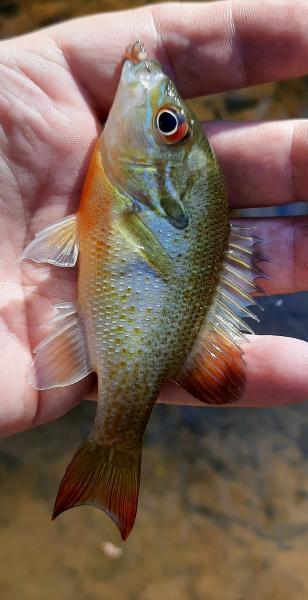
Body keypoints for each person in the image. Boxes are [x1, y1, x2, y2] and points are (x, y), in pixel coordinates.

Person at [1, 0, 308, 437]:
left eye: (166, 123)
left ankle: (116, 438)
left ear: (168, 179)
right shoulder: (123, 193)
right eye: (170, 122)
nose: (162, 116)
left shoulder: (122, 195)